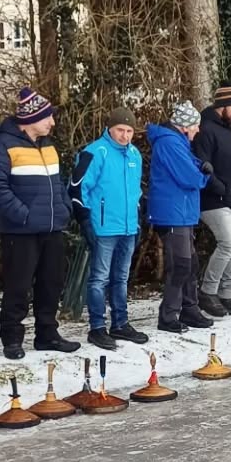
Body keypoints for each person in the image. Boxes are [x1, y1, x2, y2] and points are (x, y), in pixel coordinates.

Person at [0, 86, 79, 359]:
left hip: (52, 228)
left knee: (51, 283)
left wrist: (64, 209)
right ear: (31, 119)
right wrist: (23, 215)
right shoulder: (2, 146)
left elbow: (59, 183)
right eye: (47, 117)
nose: (52, 122)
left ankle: (47, 334)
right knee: (18, 285)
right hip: (21, 231)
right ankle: (12, 337)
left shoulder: (48, 146)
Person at [71, 109, 147, 349]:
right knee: (99, 279)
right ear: (109, 129)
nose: (125, 136)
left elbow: (136, 191)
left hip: (128, 227)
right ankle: (97, 327)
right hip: (103, 226)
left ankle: (120, 323)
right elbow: (77, 187)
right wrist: (84, 218)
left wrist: (138, 218)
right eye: (120, 130)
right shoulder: (95, 152)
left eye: (129, 131)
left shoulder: (135, 155)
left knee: (121, 278)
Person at [148, 100, 214, 334]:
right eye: (195, 126)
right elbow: (190, 177)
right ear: (185, 126)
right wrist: (204, 175)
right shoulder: (169, 142)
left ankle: (190, 307)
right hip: (172, 213)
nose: (198, 130)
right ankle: (168, 315)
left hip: (182, 213)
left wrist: (201, 166)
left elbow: (191, 164)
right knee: (180, 264)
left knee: (190, 262)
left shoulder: (177, 141)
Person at [192, 85, 231, 317]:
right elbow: (202, 165)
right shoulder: (205, 130)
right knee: (228, 243)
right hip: (213, 199)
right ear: (221, 106)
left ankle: (227, 294)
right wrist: (221, 188)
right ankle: (207, 291)